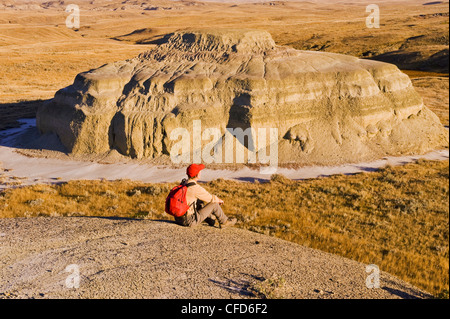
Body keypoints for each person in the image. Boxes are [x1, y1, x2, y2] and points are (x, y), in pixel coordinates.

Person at [174, 164, 237, 228]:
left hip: (179, 219)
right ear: (197, 174)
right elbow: (210, 198)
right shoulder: (194, 188)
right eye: (199, 171)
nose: (201, 172)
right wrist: (219, 200)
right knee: (214, 204)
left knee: (199, 202)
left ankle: (210, 220)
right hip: (189, 221)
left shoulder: (184, 183)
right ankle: (224, 222)